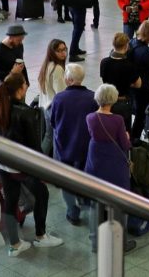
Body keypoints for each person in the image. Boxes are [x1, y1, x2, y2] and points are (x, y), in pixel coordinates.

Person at [0, 73, 64, 256]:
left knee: (10, 200)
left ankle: (15, 244)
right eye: (25, 83)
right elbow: (34, 145)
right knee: (42, 194)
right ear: (20, 88)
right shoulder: (26, 113)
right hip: (20, 165)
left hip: (1, 162)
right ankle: (41, 235)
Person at [84, 84, 136, 253]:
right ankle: (120, 242)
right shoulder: (118, 120)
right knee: (119, 202)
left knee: (96, 203)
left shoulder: (90, 117)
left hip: (95, 161)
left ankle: (94, 241)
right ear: (113, 99)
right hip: (114, 163)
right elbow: (125, 144)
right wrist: (127, 136)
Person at [50, 63, 98, 226]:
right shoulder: (93, 97)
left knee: (67, 181)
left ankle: (73, 211)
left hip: (65, 147)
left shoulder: (59, 98)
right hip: (85, 148)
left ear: (68, 79)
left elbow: (53, 122)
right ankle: (85, 201)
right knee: (85, 177)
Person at [128, 20, 149, 142]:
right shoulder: (146, 52)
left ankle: (130, 137)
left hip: (131, 85)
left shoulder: (131, 42)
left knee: (134, 111)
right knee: (140, 116)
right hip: (143, 88)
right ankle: (135, 139)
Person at [37, 39, 68, 155]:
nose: (63, 53)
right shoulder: (58, 69)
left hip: (46, 106)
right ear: (52, 52)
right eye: (59, 51)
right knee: (54, 139)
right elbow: (61, 93)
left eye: (64, 50)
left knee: (49, 136)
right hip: (53, 109)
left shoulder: (47, 65)